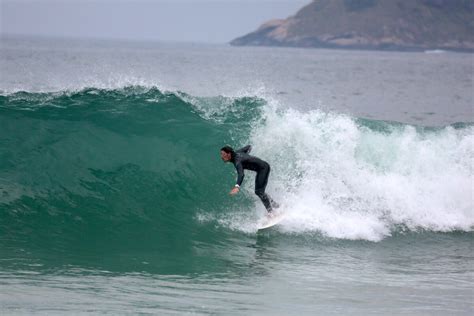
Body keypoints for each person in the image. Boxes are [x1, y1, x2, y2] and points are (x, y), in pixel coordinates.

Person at [220, 145, 279, 214]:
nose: (221, 157)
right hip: (262, 168)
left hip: (263, 169)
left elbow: (241, 174)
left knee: (259, 192)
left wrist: (237, 186)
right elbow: (249, 147)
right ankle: (276, 206)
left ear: (229, 154)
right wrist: (247, 157)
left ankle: (271, 213)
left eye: (223, 154)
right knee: (259, 192)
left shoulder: (237, 161)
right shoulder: (238, 152)